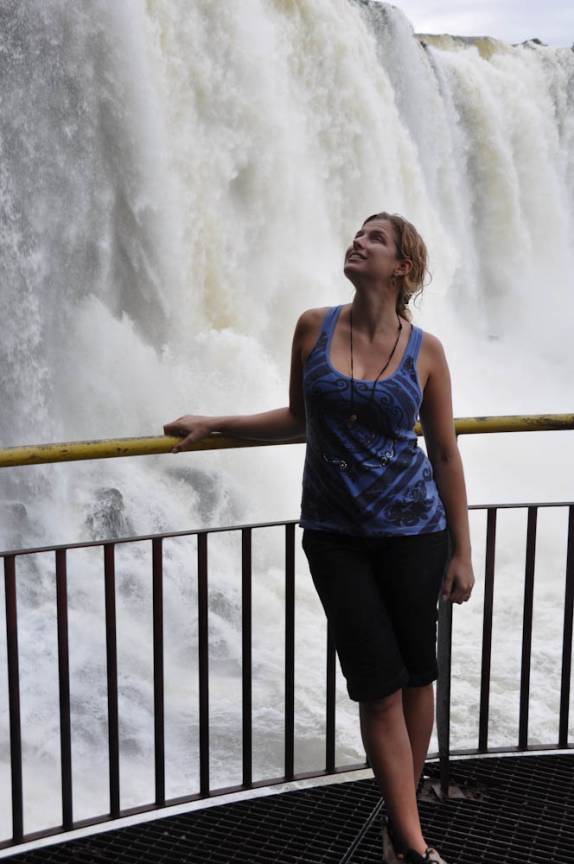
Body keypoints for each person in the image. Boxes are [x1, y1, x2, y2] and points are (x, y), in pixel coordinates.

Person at [163, 211, 475, 864]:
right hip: (335, 536)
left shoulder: (428, 352)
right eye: (358, 234)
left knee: (418, 677)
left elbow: (444, 453)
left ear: (402, 269)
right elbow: (298, 419)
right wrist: (218, 423)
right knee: (376, 686)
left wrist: (463, 550)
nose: (358, 242)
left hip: (416, 533)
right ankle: (416, 848)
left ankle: (399, 828)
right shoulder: (313, 327)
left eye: (376, 239)